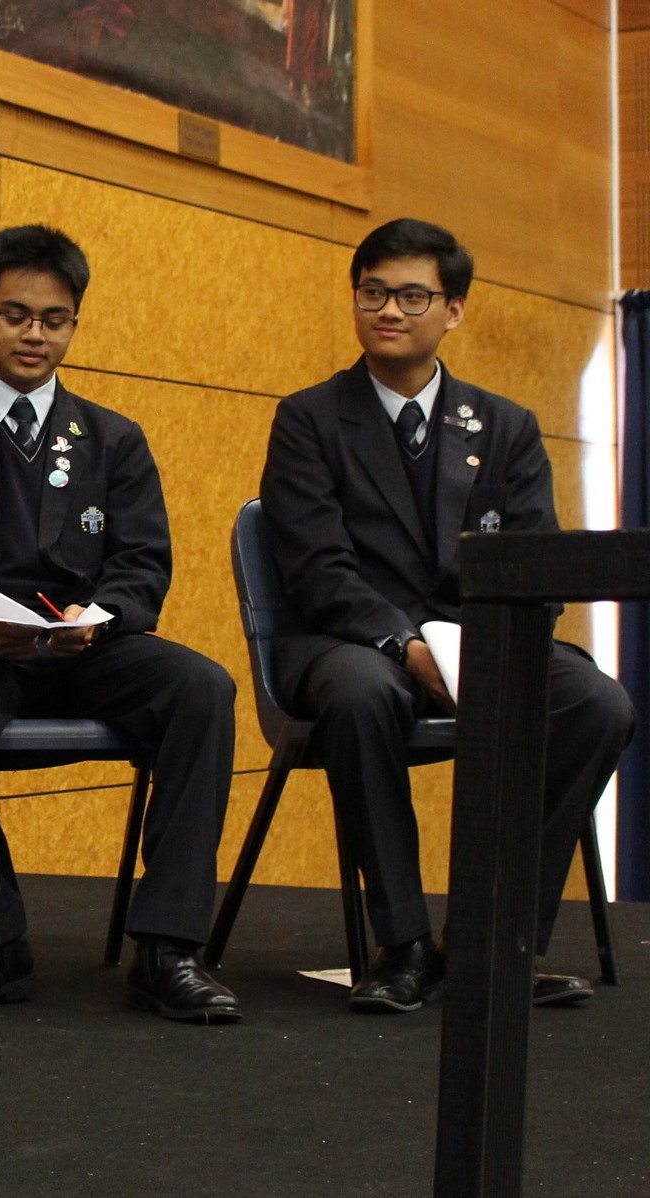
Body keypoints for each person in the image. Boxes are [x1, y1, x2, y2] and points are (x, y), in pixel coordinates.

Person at [0, 224, 241, 1023]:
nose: (35, 334)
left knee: (202, 688)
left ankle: (168, 948)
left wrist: (98, 621)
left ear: (74, 323)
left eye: (54, 319)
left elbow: (145, 569)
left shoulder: (114, 437)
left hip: (83, 649)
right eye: (15, 314)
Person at [259, 217, 635, 1014]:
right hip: (348, 639)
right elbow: (318, 572)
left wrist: (477, 646)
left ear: (454, 310)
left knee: (598, 704)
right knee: (363, 697)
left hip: (479, 638)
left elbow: (535, 567)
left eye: (411, 295)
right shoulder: (309, 419)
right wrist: (407, 644)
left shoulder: (503, 427)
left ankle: (491, 938)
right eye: (372, 293)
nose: (388, 310)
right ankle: (402, 946)